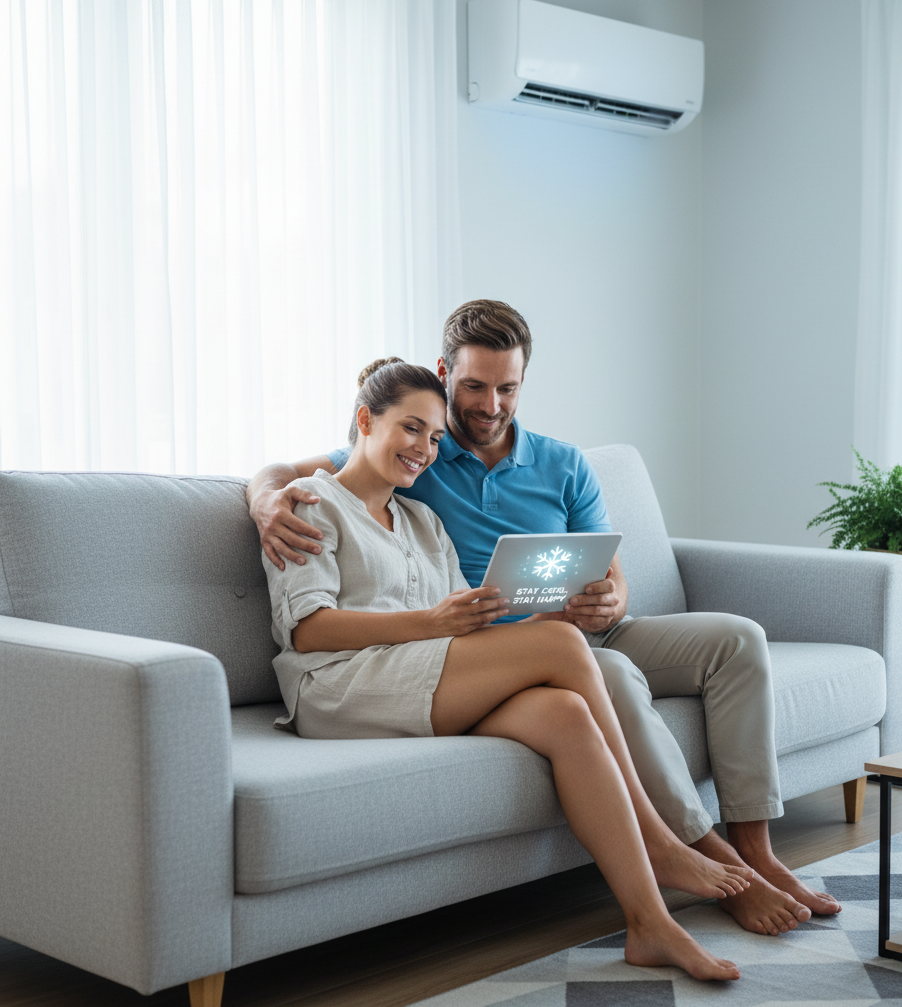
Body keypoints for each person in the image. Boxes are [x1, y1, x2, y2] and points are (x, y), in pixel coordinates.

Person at [247, 302, 842, 937]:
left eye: (507, 388)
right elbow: (303, 477)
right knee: (593, 669)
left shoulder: (556, 464)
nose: (490, 405)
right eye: (474, 387)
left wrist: (609, 599)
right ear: (447, 374)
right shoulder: (413, 452)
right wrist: (263, 500)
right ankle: (692, 848)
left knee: (737, 638)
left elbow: (608, 565)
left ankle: (753, 850)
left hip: (580, 630)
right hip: (500, 649)